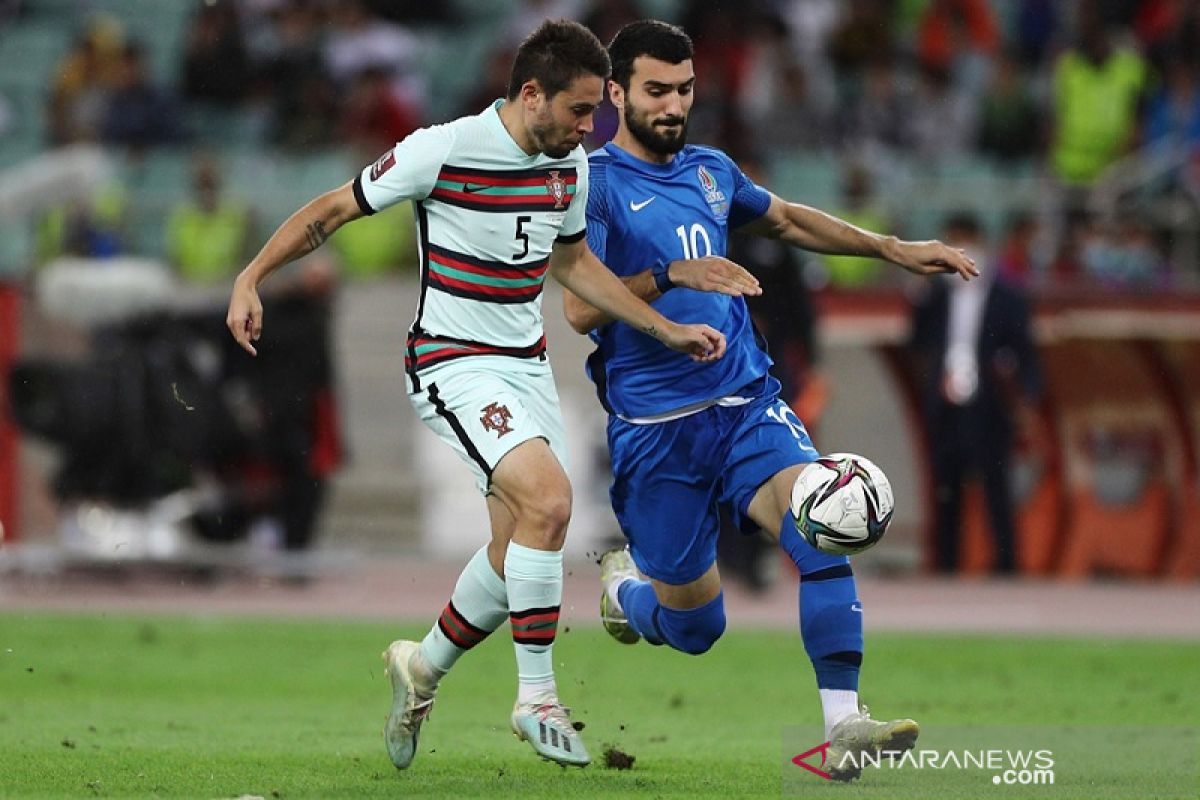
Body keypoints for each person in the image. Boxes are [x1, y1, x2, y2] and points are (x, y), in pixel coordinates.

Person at [225, 19, 725, 771]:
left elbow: (576, 266)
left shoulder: (570, 167)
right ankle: (537, 698)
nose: (594, 127)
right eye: (582, 111)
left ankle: (420, 669)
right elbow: (332, 210)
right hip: (452, 361)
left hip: (524, 366)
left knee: (515, 545)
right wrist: (250, 276)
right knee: (550, 502)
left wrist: (661, 327)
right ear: (532, 94)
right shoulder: (444, 148)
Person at [562, 20, 976, 781]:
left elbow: (785, 219)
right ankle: (626, 590)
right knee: (696, 628)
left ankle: (843, 722)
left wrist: (891, 248)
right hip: (656, 434)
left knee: (823, 521)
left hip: (745, 402)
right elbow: (581, 311)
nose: (673, 105)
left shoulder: (713, 172)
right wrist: (670, 280)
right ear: (617, 92)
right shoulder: (593, 183)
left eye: (684, 89)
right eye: (656, 90)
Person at [909, 213, 1042, 575]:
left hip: (989, 404)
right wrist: (923, 291)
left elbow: (1026, 352)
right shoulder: (935, 295)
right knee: (946, 490)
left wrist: (1028, 398)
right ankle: (946, 567)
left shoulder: (1007, 296)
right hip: (945, 402)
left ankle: (1006, 566)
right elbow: (916, 340)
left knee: (996, 488)